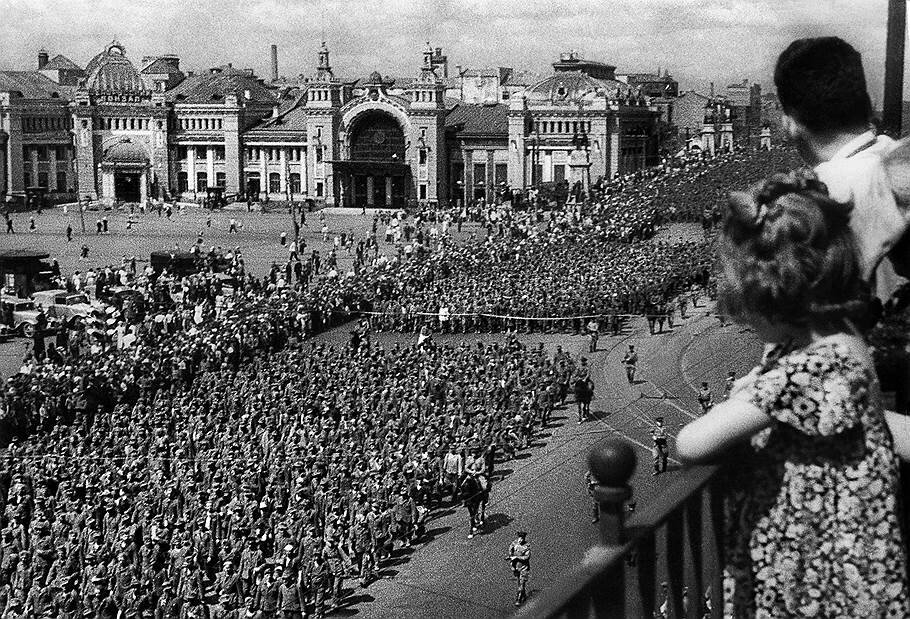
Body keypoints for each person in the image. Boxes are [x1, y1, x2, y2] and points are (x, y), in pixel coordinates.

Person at [676, 174, 910, 616]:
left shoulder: (813, 367)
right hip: (837, 551)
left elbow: (692, 442)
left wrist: (747, 395)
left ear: (772, 297)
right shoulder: (844, 340)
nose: (745, 325)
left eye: (746, 312)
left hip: (816, 567)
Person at [507, 531, 530, 607]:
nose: (520, 540)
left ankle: (518, 599)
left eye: (522, 538)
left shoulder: (526, 546)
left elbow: (527, 557)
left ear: (524, 538)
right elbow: (510, 549)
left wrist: (517, 557)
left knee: (522, 583)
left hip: (524, 568)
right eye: (519, 538)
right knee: (519, 583)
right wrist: (511, 556)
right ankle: (524, 595)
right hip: (516, 567)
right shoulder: (514, 543)